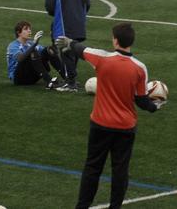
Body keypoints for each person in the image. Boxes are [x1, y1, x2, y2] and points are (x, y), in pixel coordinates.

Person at [55, 23, 162, 209]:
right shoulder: (139, 68)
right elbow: (141, 100)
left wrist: (70, 43)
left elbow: (82, 50)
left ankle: (82, 206)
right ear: (131, 42)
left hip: (100, 123)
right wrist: (155, 107)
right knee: (120, 171)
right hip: (125, 127)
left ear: (115, 40)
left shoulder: (103, 58)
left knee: (92, 168)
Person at [45, 0, 91, 91]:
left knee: (65, 51)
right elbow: (87, 3)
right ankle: (72, 79)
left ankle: (70, 82)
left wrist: (58, 14)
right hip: (79, 24)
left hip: (63, 25)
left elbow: (49, 6)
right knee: (74, 50)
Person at [6, 20, 65, 88]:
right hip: (19, 78)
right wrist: (34, 45)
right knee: (33, 52)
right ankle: (49, 82)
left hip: (32, 77)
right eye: (26, 29)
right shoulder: (13, 45)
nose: (29, 31)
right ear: (18, 33)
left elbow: (47, 53)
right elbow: (20, 58)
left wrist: (54, 40)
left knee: (49, 49)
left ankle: (67, 78)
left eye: (30, 29)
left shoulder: (30, 43)